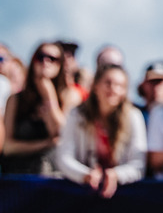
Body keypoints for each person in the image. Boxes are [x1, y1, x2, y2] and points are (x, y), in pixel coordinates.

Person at [56, 63, 146, 198]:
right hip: (81, 193)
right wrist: (86, 175)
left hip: (123, 194)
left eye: (120, 85)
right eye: (108, 83)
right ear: (96, 86)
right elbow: (64, 158)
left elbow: (139, 164)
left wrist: (117, 175)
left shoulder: (134, 116)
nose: (113, 89)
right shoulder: (77, 115)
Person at [1, 42, 80, 175]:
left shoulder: (70, 95)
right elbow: (7, 147)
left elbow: (64, 134)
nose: (45, 62)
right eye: (41, 57)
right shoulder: (15, 99)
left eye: (52, 59)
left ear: (60, 65)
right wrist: (45, 144)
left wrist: (49, 95)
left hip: (53, 172)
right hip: (17, 172)